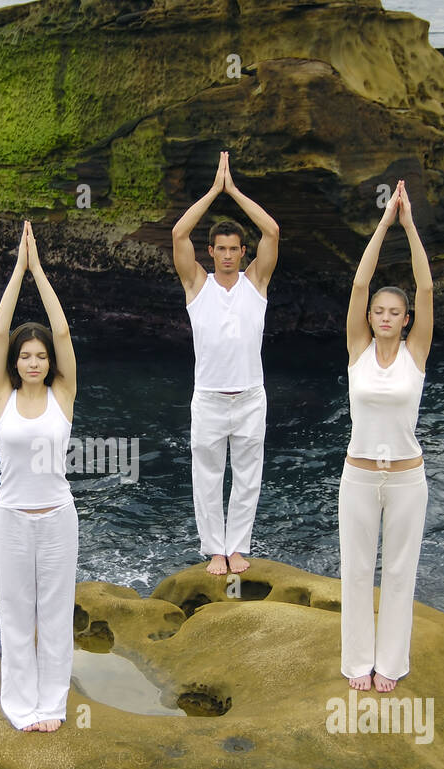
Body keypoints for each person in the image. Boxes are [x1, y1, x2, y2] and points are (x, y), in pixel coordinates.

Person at [341, 179, 433, 693]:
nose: (385, 318)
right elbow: (359, 285)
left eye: (394, 313)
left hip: (406, 478)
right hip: (357, 476)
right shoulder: (356, 349)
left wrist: (409, 224)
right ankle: (357, 661)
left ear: (406, 321)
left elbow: (427, 288)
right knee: (356, 571)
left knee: (399, 572)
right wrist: (383, 222)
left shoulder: (415, 354)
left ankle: (389, 664)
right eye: (379, 312)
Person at [0, 221, 79, 733]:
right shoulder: (1, 398)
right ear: (15, 362)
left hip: (58, 519)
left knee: (54, 615)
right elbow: (0, 332)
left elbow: (61, 332)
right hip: (12, 520)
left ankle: (52, 705)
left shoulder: (61, 397)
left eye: (41, 356)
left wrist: (40, 271)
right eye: (26, 355)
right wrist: (17, 272)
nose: (34, 361)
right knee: (17, 617)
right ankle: (22, 706)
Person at [172, 150, 280, 576]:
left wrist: (234, 191)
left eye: (236, 249)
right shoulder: (198, 284)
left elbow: (272, 230)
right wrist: (212, 191)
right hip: (211, 399)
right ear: (212, 252)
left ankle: (237, 547)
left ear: (242, 251)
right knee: (208, 476)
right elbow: (180, 235)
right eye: (222, 249)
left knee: (248, 476)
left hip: (251, 396)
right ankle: (214, 549)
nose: (229, 255)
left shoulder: (256, 283)